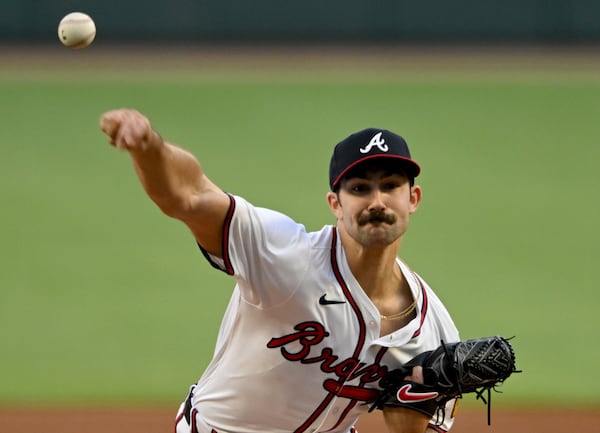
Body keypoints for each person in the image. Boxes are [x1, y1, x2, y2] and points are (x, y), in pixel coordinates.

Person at [99, 109, 460, 433]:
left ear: (413, 199)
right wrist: (148, 146)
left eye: (391, 186)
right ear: (335, 204)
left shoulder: (434, 331)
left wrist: (417, 406)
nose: (377, 201)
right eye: (360, 188)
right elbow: (189, 196)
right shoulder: (285, 255)